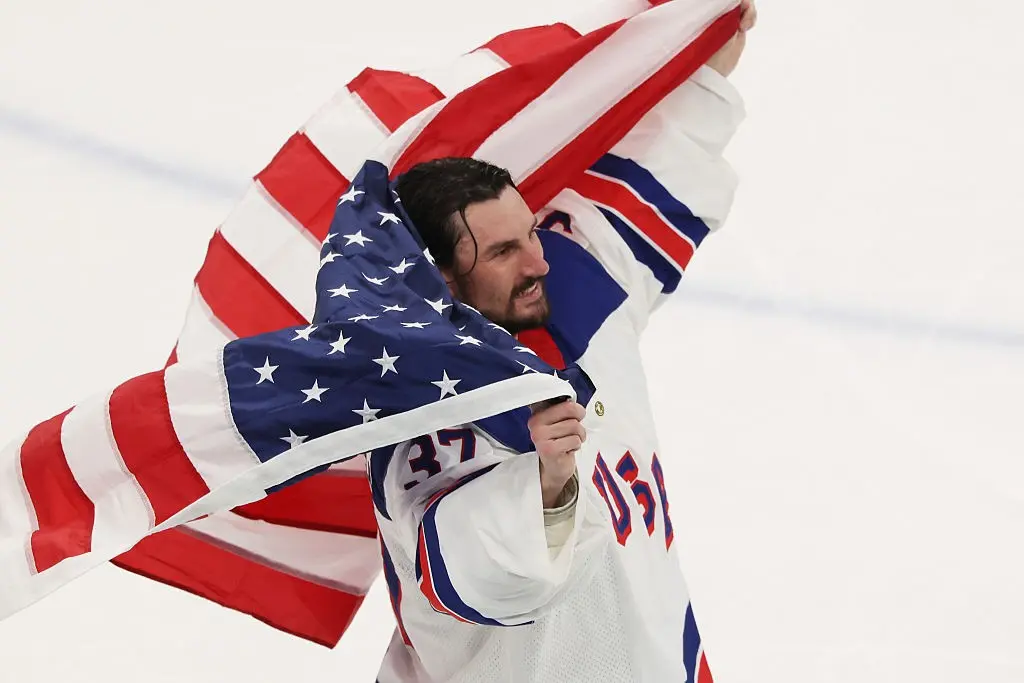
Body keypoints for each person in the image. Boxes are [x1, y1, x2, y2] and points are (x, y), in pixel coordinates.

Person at [370, 3, 756, 681]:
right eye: (503, 250)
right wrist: (546, 485)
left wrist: (706, 33)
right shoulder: (420, 423)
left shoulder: (567, 284)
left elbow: (664, 162)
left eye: (530, 232)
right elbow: (478, 575)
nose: (538, 258)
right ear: (439, 281)